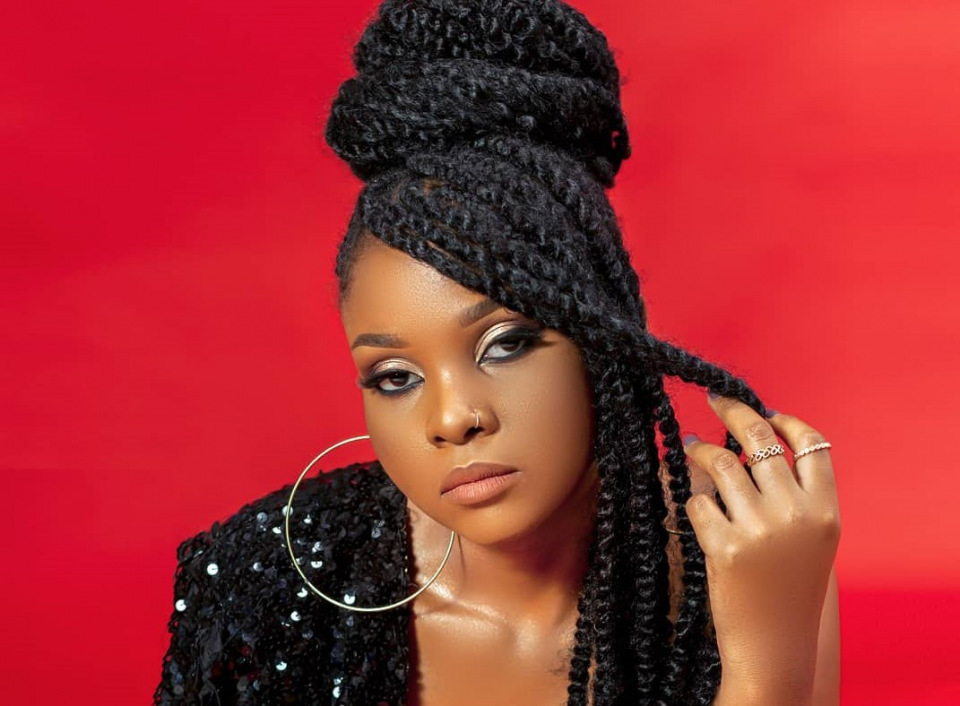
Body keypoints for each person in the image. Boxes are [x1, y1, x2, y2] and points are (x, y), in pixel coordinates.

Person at [153, 1, 841, 704]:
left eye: (505, 344)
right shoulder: (264, 582)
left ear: (604, 340)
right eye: (394, 377)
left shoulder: (749, 554)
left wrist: (766, 656)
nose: (453, 419)